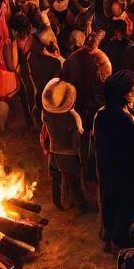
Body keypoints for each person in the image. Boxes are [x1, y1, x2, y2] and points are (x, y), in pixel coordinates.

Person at [94, 70, 134, 252]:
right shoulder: (129, 121)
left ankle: (111, 238)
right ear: (126, 94)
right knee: (128, 213)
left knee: (111, 207)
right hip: (128, 178)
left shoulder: (101, 114)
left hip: (107, 175)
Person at [40, 78, 85, 211]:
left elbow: (44, 133)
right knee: (73, 181)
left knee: (55, 179)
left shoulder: (46, 114)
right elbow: (76, 141)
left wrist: (45, 147)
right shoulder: (72, 118)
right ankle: (81, 205)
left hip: (53, 153)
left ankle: (58, 203)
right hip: (68, 155)